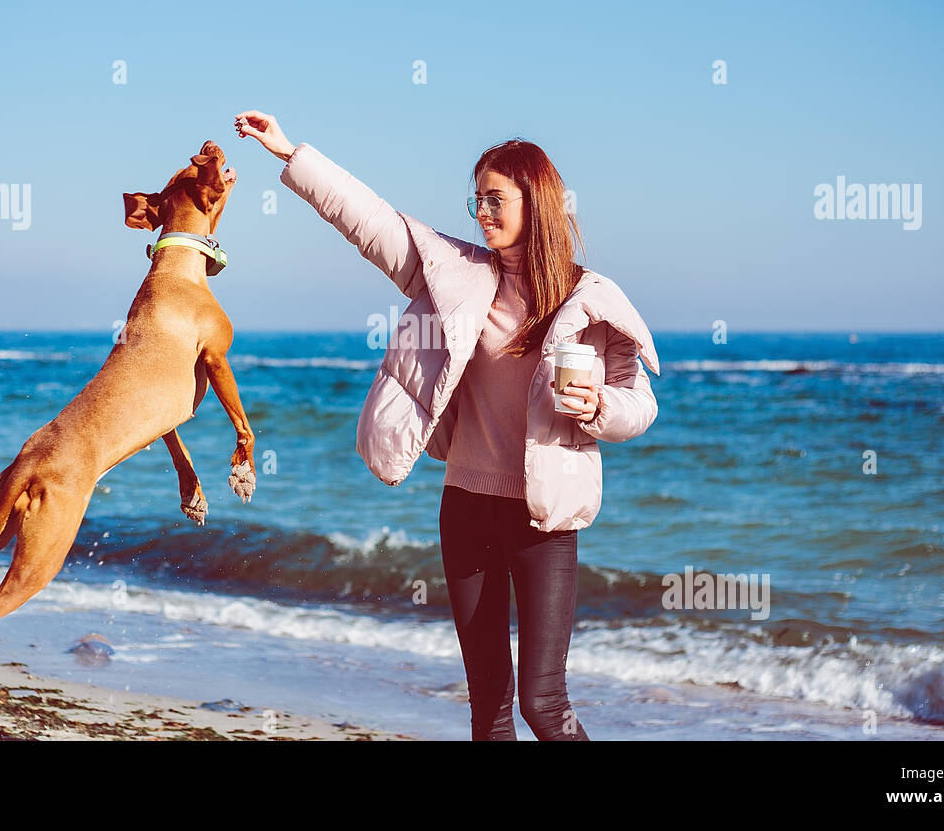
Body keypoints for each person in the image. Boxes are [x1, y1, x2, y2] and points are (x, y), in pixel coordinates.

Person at [233, 110, 661, 740]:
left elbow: (638, 404)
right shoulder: (453, 275)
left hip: (545, 522)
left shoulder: (589, 298)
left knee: (543, 703)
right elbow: (371, 220)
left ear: (536, 201)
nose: (481, 212)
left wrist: (599, 407)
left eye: (496, 199)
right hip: (466, 507)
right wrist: (290, 152)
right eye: (476, 198)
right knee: (488, 703)